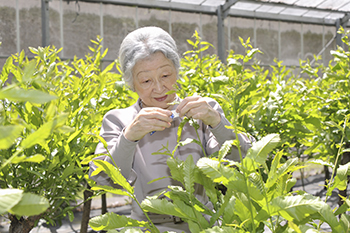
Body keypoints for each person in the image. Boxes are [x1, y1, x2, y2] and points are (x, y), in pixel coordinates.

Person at [89, 26, 253, 232]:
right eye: (146, 81)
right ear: (132, 84)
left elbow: (243, 161)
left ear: (176, 70)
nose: (159, 88)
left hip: (204, 223)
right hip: (149, 226)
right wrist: (129, 137)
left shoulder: (201, 110)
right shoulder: (119, 120)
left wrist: (216, 121)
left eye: (166, 75)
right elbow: (102, 179)